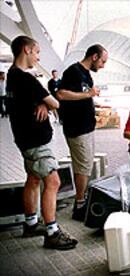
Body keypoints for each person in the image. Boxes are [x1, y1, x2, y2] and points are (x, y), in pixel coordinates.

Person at [6, 35, 77, 250]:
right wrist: (47, 104)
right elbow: (55, 102)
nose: (38, 57)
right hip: (36, 140)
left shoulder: (12, 76)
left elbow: (36, 102)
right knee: (53, 182)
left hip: (23, 138)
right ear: (26, 50)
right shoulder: (26, 79)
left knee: (34, 178)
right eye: (37, 52)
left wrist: (42, 104)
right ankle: (52, 232)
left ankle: (31, 223)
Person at [56, 44, 108, 221]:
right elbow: (61, 94)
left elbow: (81, 96)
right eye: (102, 61)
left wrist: (94, 104)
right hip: (77, 129)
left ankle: (82, 199)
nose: (103, 65)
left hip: (86, 127)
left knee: (85, 165)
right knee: (83, 166)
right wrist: (88, 95)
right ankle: (79, 204)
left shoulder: (86, 75)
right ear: (94, 57)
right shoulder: (74, 71)